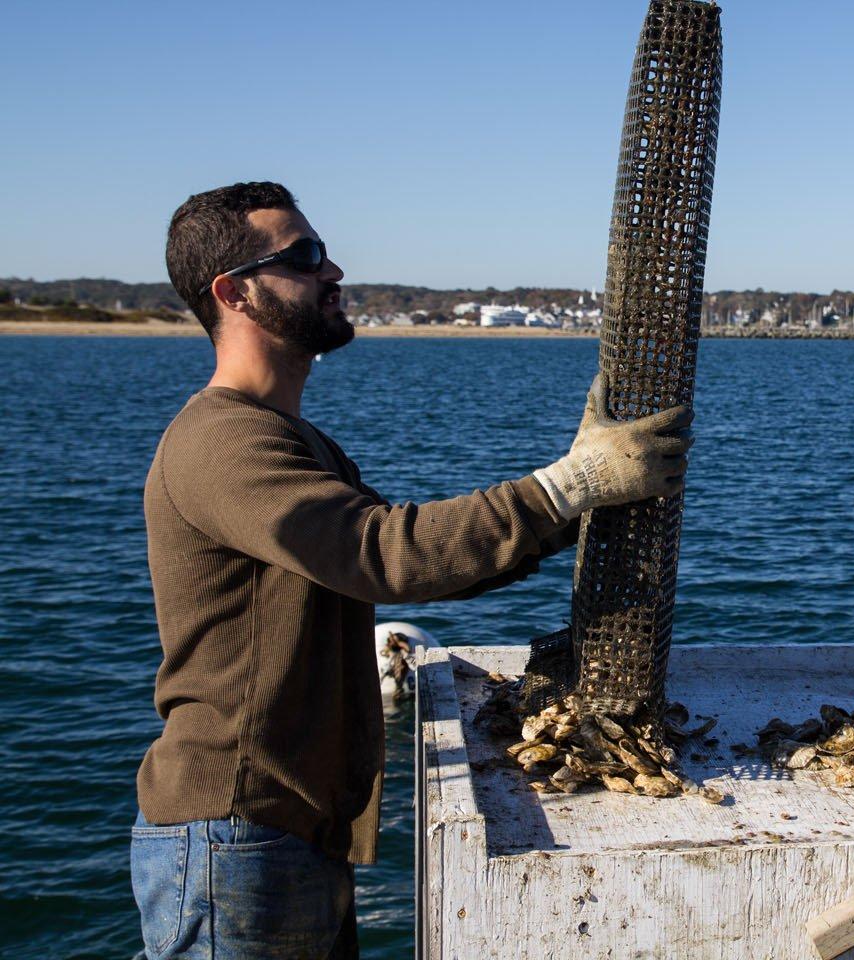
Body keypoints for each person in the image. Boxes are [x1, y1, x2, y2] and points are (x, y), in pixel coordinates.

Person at [131, 181, 692, 959]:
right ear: (235, 293)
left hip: (285, 837)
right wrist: (568, 484)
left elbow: (420, 569)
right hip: (236, 834)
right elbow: (385, 554)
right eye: (303, 257)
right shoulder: (221, 443)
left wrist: (580, 511)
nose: (332, 272)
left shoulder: (298, 443)